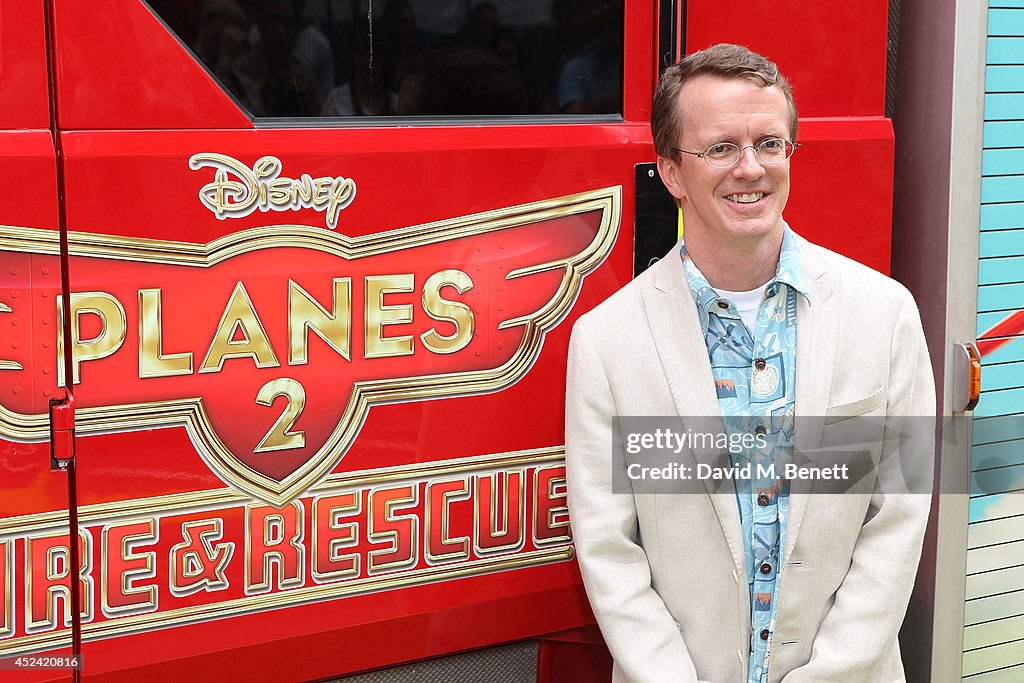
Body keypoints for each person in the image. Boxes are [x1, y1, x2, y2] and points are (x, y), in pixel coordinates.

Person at [564, 43, 935, 683]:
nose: (750, 168)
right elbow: (608, 549)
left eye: (769, 143)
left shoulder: (888, 313)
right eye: (720, 148)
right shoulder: (605, 340)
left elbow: (898, 520)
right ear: (672, 172)